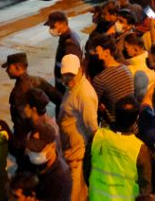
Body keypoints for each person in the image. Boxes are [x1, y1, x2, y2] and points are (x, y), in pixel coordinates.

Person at [86, 95, 152, 200]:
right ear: (136, 118)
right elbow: (145, 188)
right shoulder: (139, 149)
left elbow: (86, 170)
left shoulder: (96, 137)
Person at [5, 53, 62, 163]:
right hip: (41, 135)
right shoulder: (37, 80)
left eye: (9, 67)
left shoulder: (18, 93)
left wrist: (18, 145)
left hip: (28, 140)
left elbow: (22, 122)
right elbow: (58, 98)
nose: (6, 70)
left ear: (17, 67)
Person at [58, 54, 98, 201]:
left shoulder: (85, 94)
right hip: (70, 148)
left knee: (75, 192)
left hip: (77, 152)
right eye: (65, 76)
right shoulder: (72, 87)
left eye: (72, 76)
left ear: (80, 70)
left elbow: (92, 126)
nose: (68, 80)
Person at [88, 34, 135, 125]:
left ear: (106, 53)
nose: (92, 54)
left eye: (95, 51)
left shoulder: (101, 79)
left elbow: (94, 105)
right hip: (130, 123)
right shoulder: (126, 69)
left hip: (114, 126)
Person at [26, 118, 73, 201]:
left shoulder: (61, 179)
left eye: (38, 150)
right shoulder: (30, 163)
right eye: (32, 149)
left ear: (53, 147)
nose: (33, 153)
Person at [45, 10, 84, 93]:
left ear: (62, 23)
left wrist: (68, 92)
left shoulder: (70, 44)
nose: (51, 29)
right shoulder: (70, 35)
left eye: (53, 26)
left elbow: (72, 73)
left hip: (66, 90)